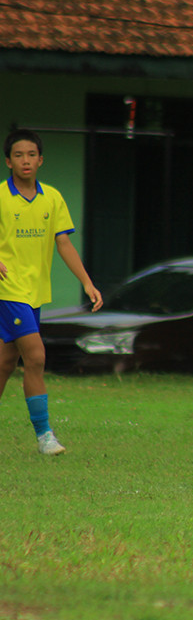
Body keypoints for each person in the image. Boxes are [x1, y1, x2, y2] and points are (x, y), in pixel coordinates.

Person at [1, 129, 103, 455]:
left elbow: (64, 243)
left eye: (31, 154)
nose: (25, 160)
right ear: (8, 161)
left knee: (5, 363)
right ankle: (45, 437)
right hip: (8, 291)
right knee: (36, 357)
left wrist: (86, 282)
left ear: (40, 160)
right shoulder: (0, 196)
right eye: (18, 155)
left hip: (34, 294)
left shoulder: (52, 198)